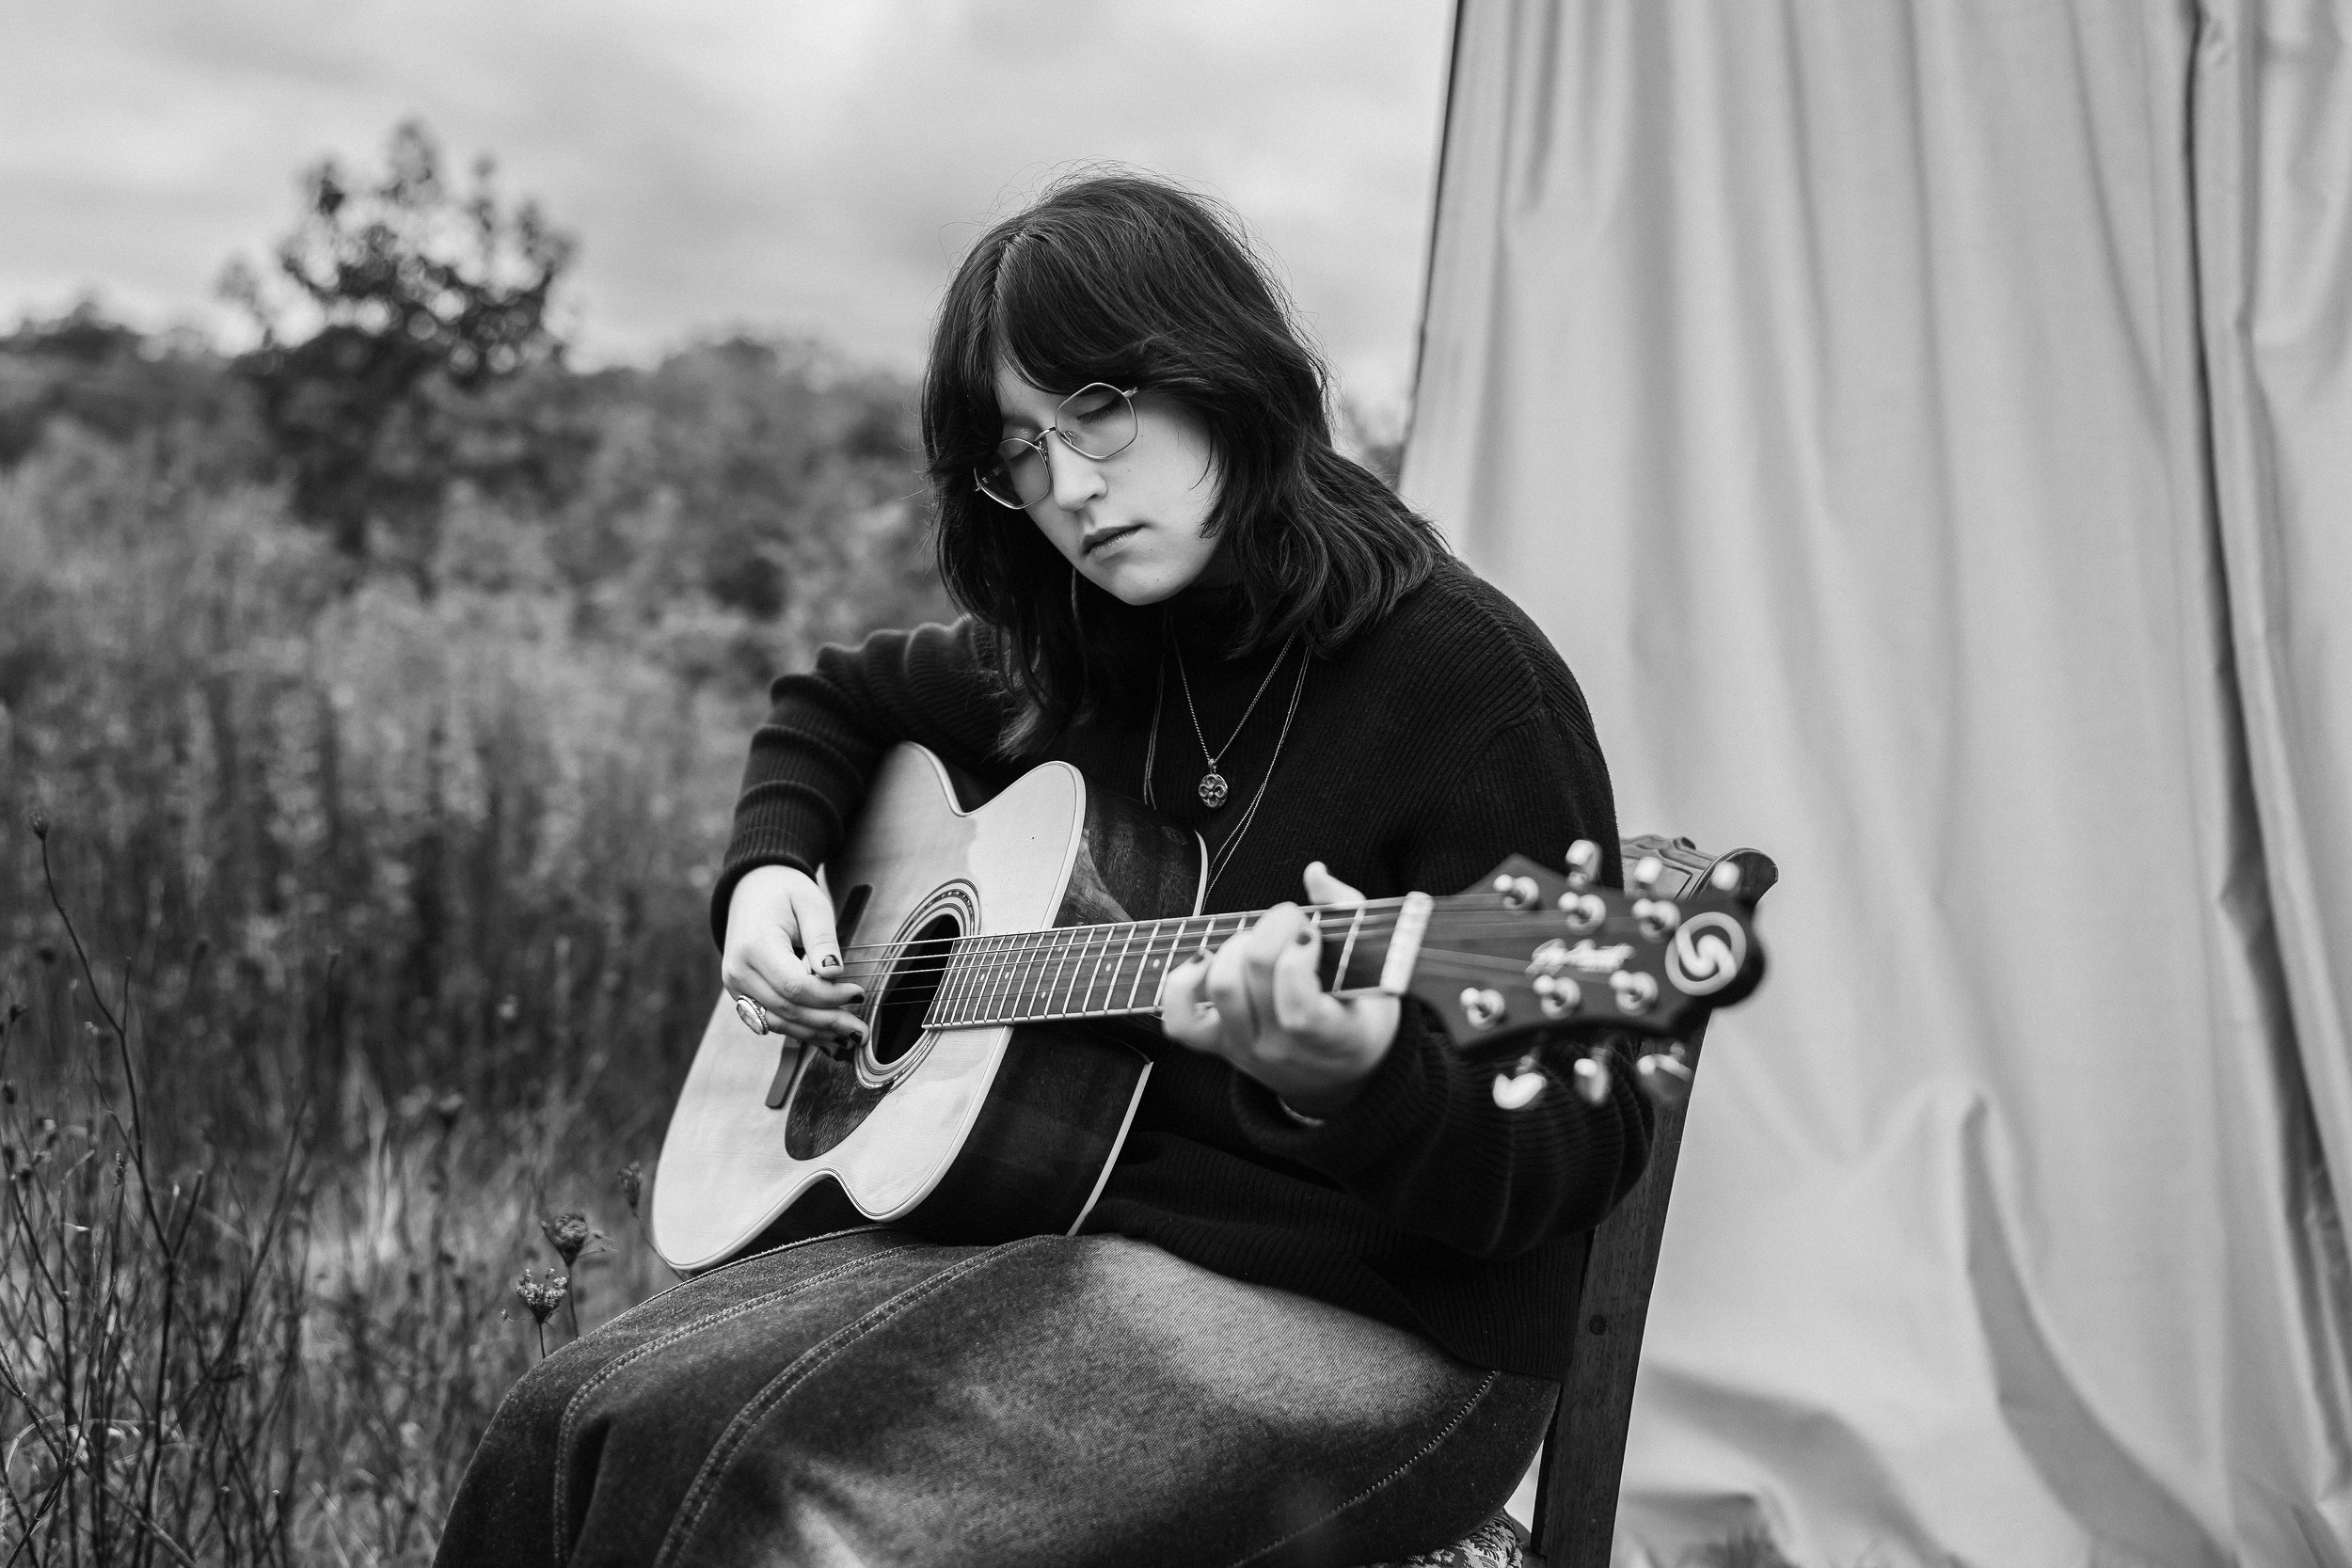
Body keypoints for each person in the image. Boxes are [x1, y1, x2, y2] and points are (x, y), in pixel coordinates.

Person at [435, 172, 1646, 1568]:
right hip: (1083, 1244)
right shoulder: (1100, 640)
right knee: (562, 1416)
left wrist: (1362, 1083)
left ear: (1223, 373)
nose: (1067, 488)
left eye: (1099, 411)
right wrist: (770, 875)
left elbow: (1577, 1138)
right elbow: (835, 698)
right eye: (1019, 451)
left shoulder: (1469, 688)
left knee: (744, 1496)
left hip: (1390, 1335)